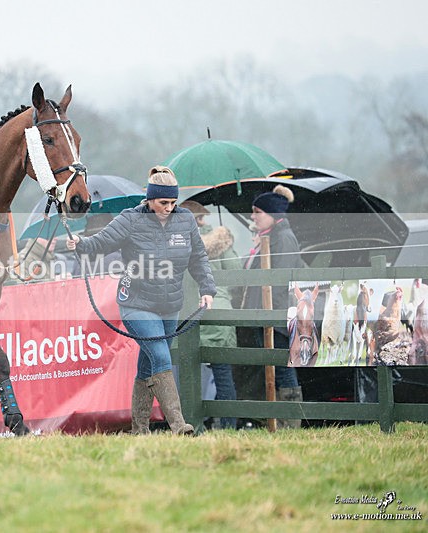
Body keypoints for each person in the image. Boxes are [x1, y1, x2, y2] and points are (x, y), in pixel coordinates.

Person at [67, 165, 216, 435]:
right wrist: (80, 243)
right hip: (135, 302)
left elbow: (198, 258)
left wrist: (208, 288)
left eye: (173, 202)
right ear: (149, 198)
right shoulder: (130, 219)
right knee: (160, 356)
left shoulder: (185, 221)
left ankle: (140, 428)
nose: (169, 207)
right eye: (163, 202)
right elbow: (102, 241)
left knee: (147, 364)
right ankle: (179, 425)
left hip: (170, 305)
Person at [240, 184, 304, 428]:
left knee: (282, 367)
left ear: (273, 215)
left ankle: (289, 421)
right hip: (264, 314)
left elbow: (280, 283)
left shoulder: (284, 239)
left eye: (258, 212)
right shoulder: (267, 239)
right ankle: (276, 419)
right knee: (273, 366)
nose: (253, 216)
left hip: (276, 316)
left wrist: (275, 318)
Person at [180, 200, 241, 430]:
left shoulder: (180, 245)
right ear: (202, 219)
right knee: (223, 373)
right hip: (219, 312)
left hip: (190, 313)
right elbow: (237, 273)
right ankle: (228, 425)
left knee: (190, 376)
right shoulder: (222, 242)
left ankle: (194, 424)